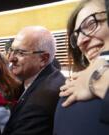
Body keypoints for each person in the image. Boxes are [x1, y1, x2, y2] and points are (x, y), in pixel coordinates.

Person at [53, 0, 109, 135]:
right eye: (76, 36)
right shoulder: (72, 89)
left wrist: (97, 79)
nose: (80, 42)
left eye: (91, 24)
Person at [2, 26, 65, 135]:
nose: (11, 58)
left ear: (43, 59)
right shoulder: (47, 77)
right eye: (12, 50)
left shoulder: (40, 101)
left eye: (21, 53)